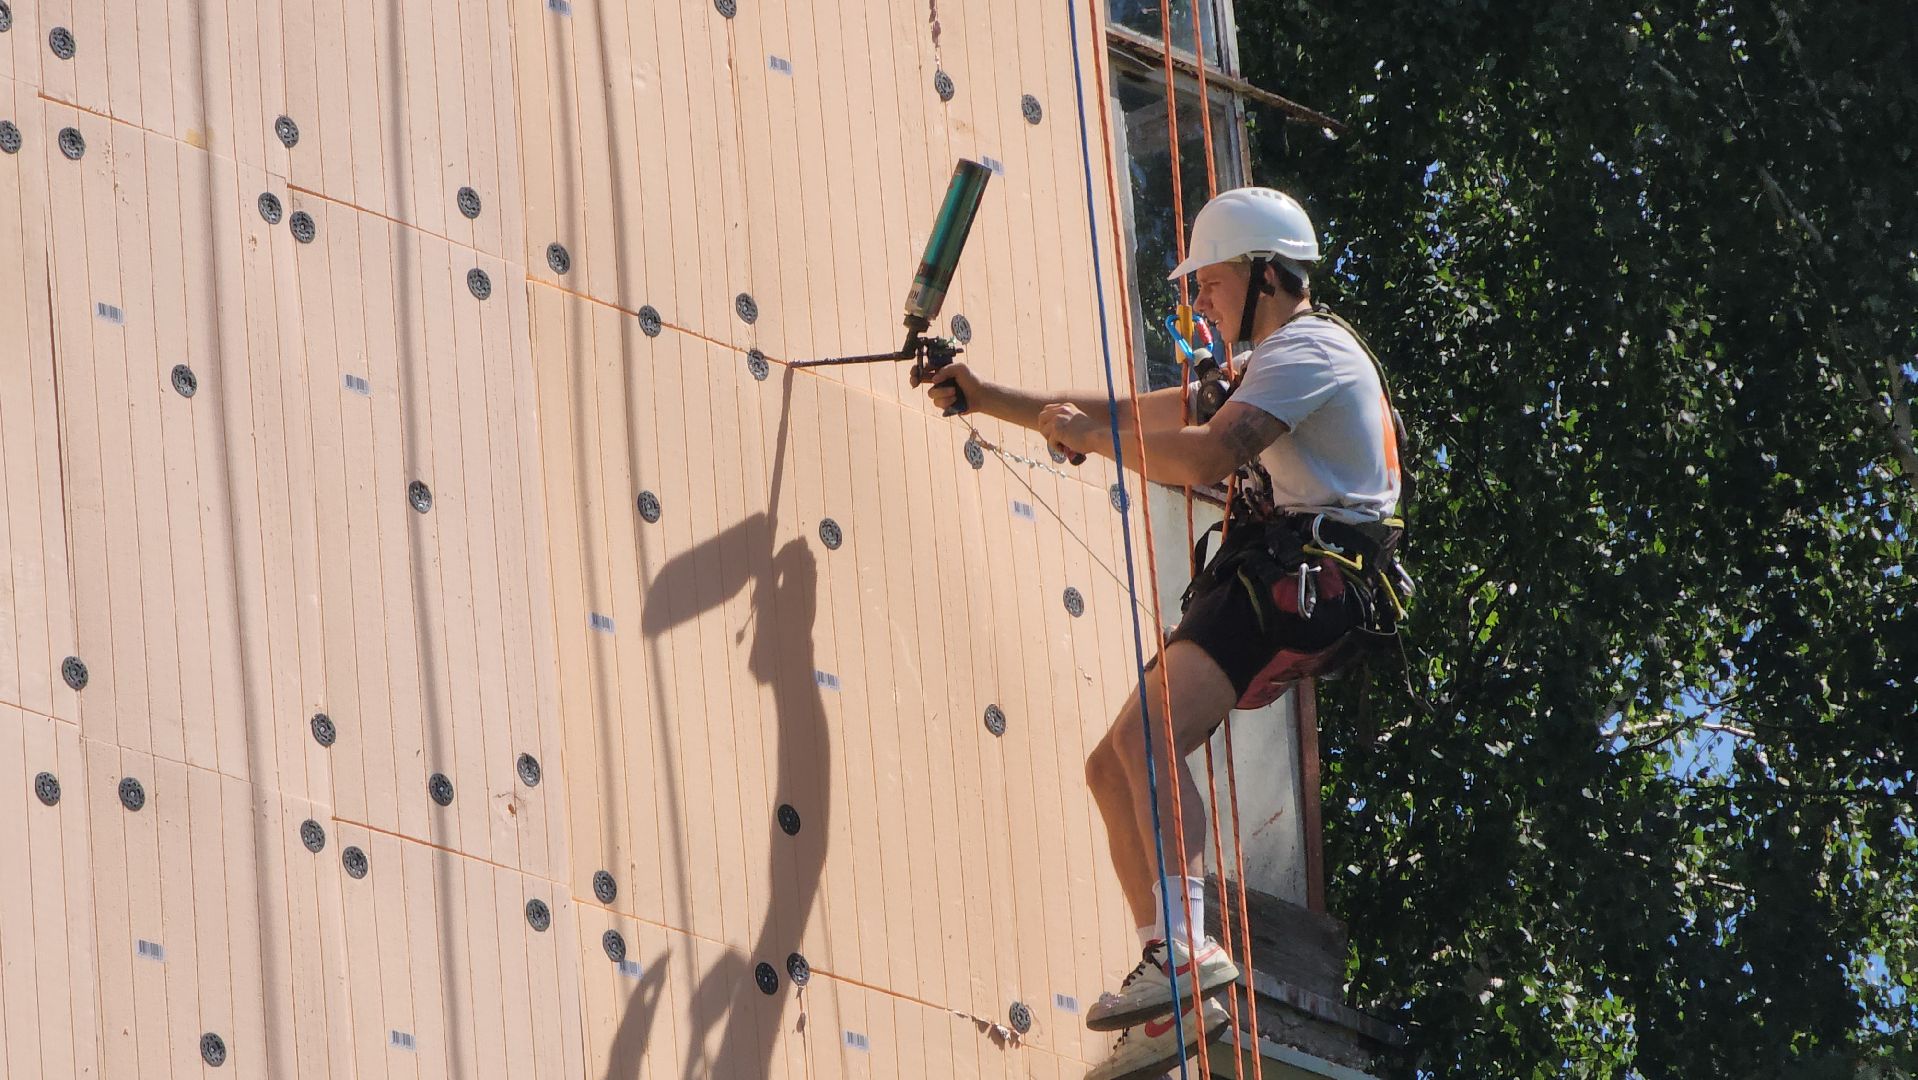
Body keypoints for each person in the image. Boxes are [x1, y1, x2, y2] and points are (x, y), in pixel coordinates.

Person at [924, 186, 1407, 1079]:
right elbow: (1135, 413)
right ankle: (1168, 972)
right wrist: (988, 397)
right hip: (1280, 575)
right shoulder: (1268, 364)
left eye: (1211, 284)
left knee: (1147, 739)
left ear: (1267, 273)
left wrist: (1089, 439)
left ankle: (1186, 952)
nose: (1199, 304)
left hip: (1299, 575)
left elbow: (1204, 455)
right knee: (1113, 762)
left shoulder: (1310, 348)